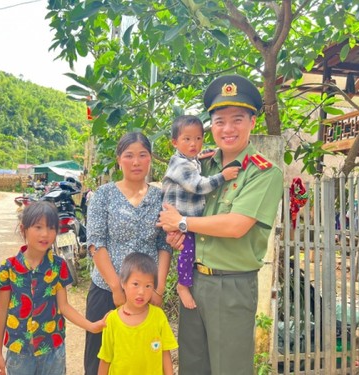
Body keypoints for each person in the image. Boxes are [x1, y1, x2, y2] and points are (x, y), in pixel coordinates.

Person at [157, 74, 283, 375]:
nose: (228, 129)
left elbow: (236, 225)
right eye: (219, 120)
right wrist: (178, 233)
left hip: (232, 285)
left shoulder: (263, 172)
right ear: (210, 125)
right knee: (193, 365)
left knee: (229, 369)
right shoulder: (201, 165)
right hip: (193, 280)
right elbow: (180, 210)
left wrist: (184, 223)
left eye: (237, 119)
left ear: (252, 122)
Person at [84, 131, 172, 375]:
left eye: (142, 155)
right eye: (129, 155)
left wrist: (159, 289)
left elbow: (164, 245)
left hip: (146, 292)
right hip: (106, 291)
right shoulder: (103, 195)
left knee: (143, 358)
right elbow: (96, 244)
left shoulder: (161, 197)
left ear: (150, 159)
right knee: (99, 360)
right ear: (119, 159)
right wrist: (116, 287)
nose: (136, 162)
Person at [0, 201, 106, 375]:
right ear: (24, 230)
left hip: (52, 351)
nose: (45, 234)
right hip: (19, 352)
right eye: (38, 227)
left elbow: (64, 307)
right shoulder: (9, 268)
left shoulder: (58, 266)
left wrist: (91, 326)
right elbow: (2, 311)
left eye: (51, 228)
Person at [162, 114, 239, 309]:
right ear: (175, 142)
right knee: (188, 251)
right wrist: (222, 176)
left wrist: (207, 153)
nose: (193, 144)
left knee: (192, 250)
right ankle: (182, 285)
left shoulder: (191, 159)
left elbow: (198, 159)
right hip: (178, 218)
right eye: (186, 139)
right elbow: (197, 185)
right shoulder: (179, 165)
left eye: (198, 138)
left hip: (186, 218)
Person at [97, 252, 178, 375]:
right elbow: (105, 358)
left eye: (148, 286)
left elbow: (165, 352)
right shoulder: (112, 320)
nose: (141, 292)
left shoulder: (158, 316)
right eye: (135, 284)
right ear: (123, 283)